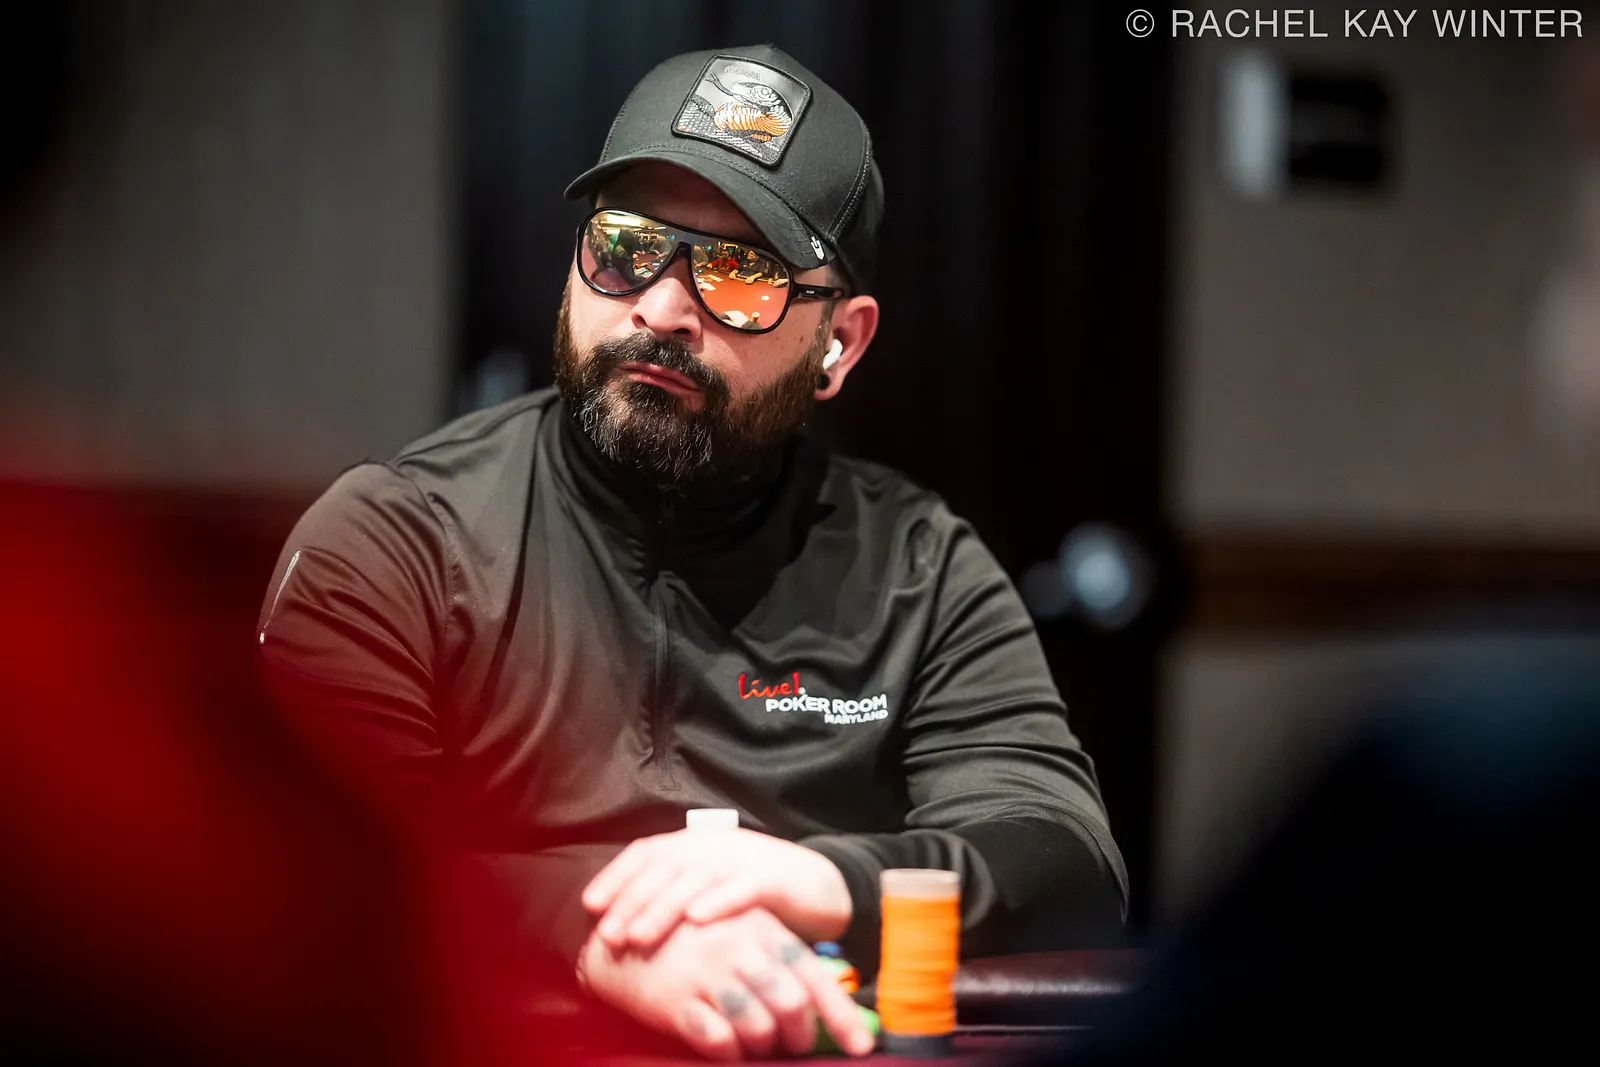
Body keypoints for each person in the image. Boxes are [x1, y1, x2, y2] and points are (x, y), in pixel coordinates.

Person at [256, 44, 1128, 1062]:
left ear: (840, 342)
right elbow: (321, 870)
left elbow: (1062, 858)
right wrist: (598, 930)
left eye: (740, 273)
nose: (662, 309)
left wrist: (820, 879)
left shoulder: (919, 569)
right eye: (625, 246)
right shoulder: (394, 544)